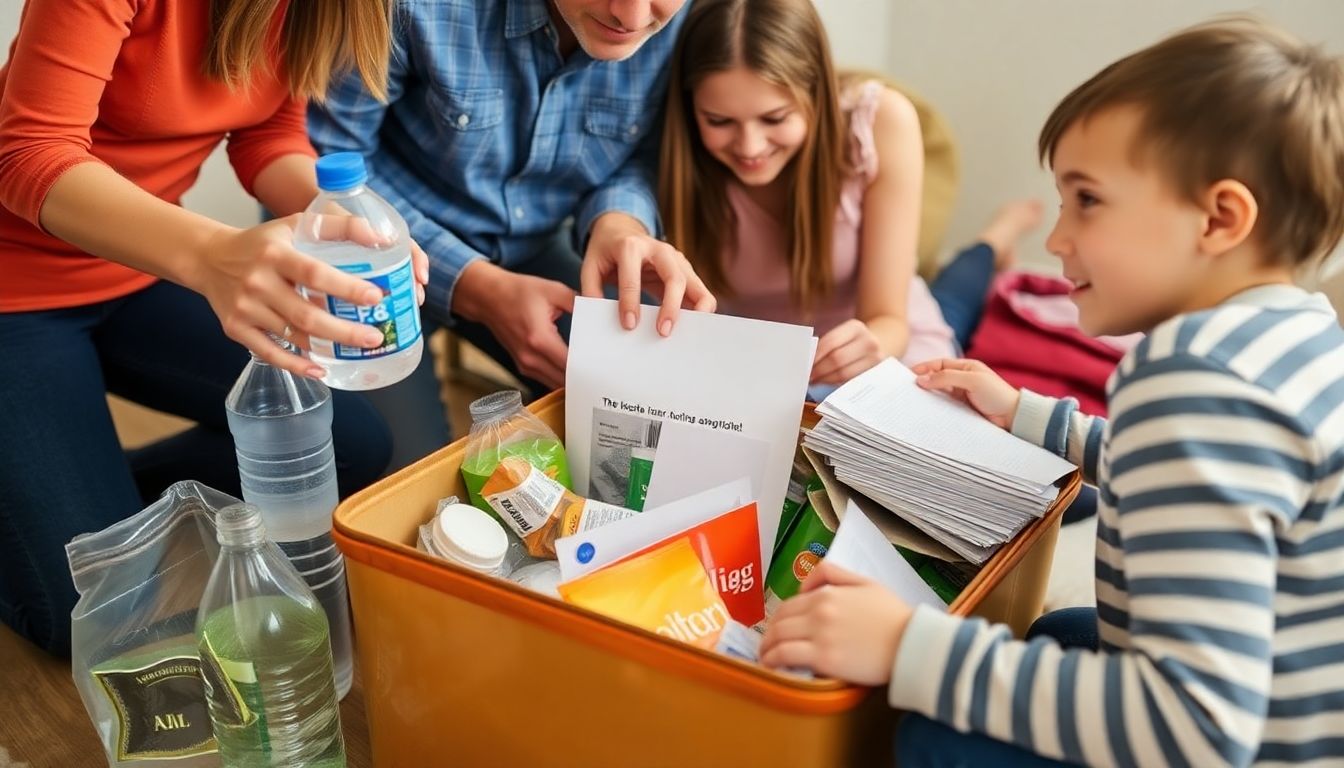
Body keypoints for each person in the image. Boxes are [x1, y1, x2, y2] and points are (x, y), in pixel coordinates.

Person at [759, 18, 1344, 766]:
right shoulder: (1294, 333)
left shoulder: (1198, 385)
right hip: (1290, 700)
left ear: (1221, 218)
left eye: (1088, 201)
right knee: (1063, 632)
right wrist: (1028, 416)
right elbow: (1167, 466)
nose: (1059, 237)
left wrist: (908, 644)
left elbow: (1196, 727)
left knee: (938, 736)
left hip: (1246, 740)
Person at [0, 0, 428, 655]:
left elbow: (267, 134)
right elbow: (29, 153)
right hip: (14, 291)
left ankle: (79, 485)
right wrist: (210, 256)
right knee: (88, 616)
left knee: (353, 446)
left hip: (135, 273)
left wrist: (345, 223)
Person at [308, 0, 715, 399]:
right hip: (372, 259)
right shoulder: (408, 7)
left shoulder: (686, 21)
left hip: (532, 249)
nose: (633, 17)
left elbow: (641, 151)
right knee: (395, 464)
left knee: (648, 398)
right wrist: (481, 290)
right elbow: (328, 160)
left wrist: (618, 222)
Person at [658, 0, 1041, 389]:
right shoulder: (673, 150)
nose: (750, 146)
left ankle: (998, 236)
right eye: (719, 121)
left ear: (817, 95)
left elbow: (892, 320)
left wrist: (872, 343)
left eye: (775, 118)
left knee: (954, 302)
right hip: (767, 374)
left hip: (889, 351)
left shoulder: (882, 122)